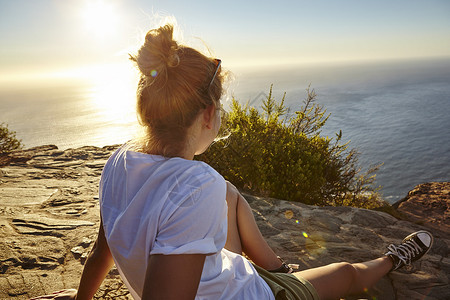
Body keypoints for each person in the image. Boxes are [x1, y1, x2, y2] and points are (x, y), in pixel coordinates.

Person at [31, 23, 433, 300]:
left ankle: (277, 267)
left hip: (221, 270)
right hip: (248, 292)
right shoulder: (195, 184)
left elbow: (104, 246)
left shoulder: (118, 163)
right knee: (346, 273)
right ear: (207, 114)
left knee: (229, 192)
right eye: (219, 108)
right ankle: (390, 258)